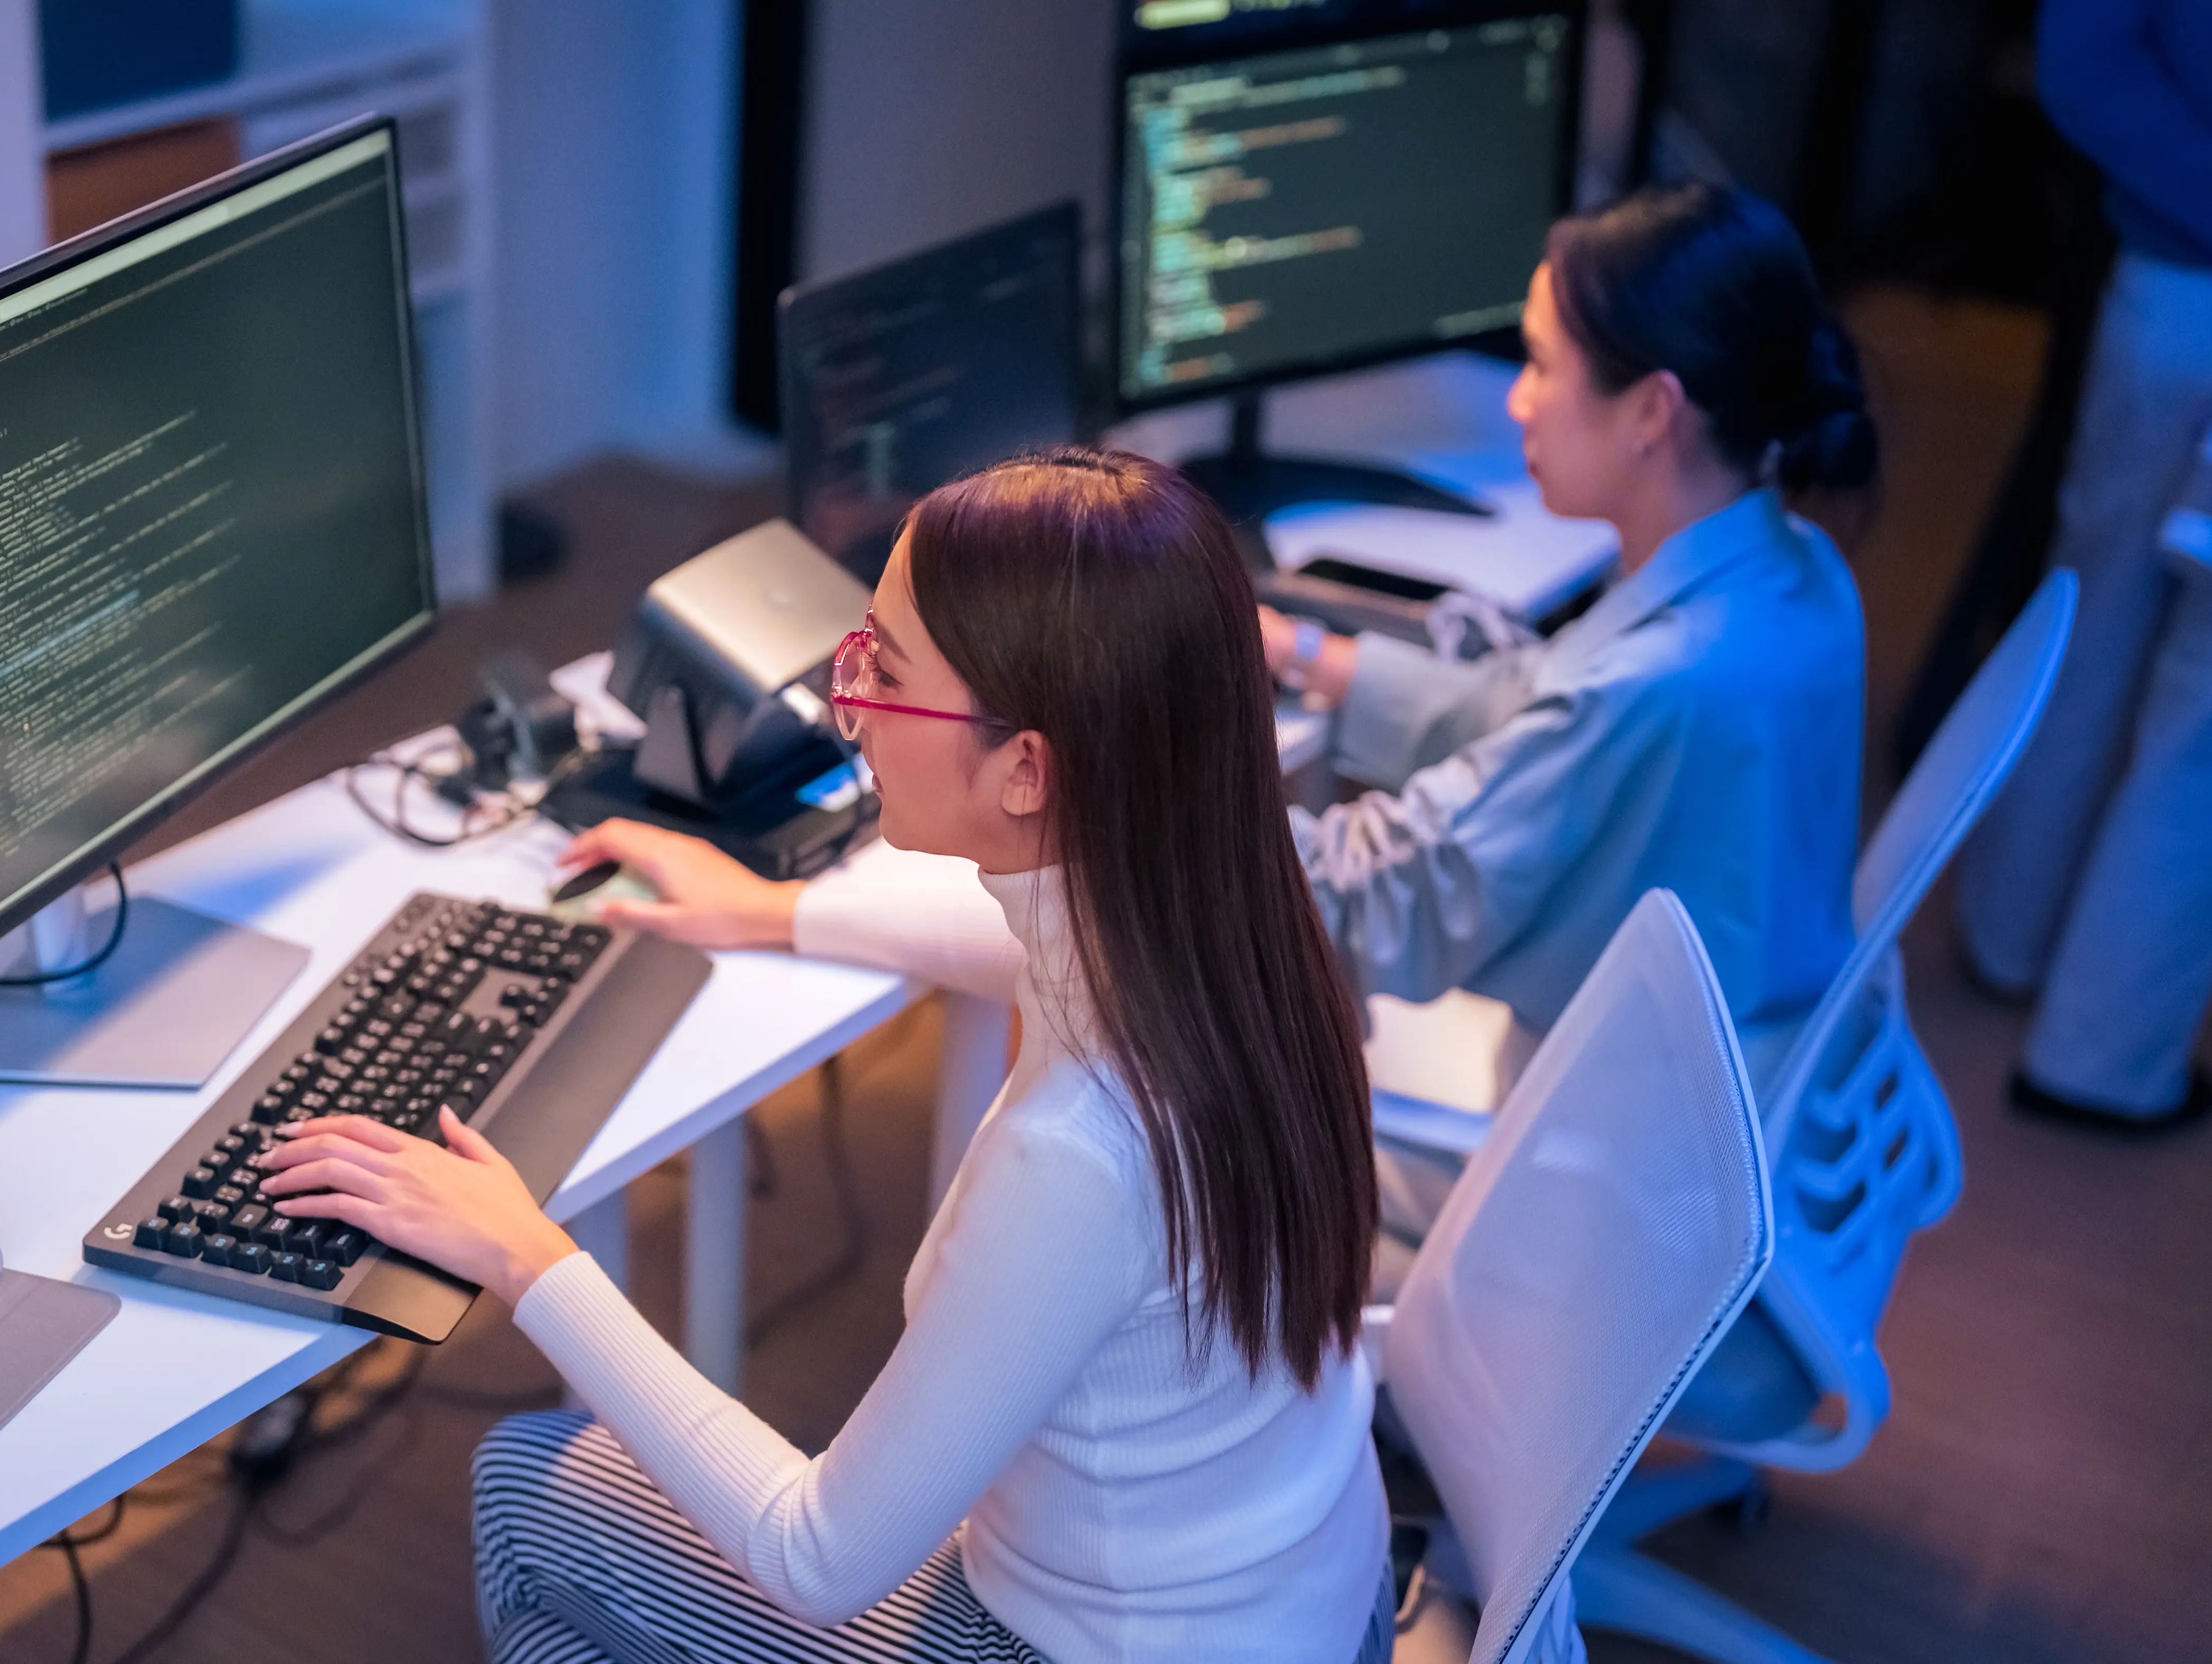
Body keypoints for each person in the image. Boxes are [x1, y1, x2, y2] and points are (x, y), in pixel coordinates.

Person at [259, 451, 1395, 1662]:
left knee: (524, 1486)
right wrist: (773, 908)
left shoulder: (1080, 1150)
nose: (843, 703)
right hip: (1320, 1602)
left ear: (1028, 771)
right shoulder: (1245, 937)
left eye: (882, 674)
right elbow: (1020, 939)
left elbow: (818, 1561)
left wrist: (523, 1254)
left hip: (1087, 1646)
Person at [571, 182, 1876, 1141]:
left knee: (1132, 1004)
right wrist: (1300, 654)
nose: (1516, 399)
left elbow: (1364, 898)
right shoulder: (1789, 576)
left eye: (1537, 365)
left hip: (1609, 1180)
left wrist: (1124, 784)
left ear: (1653, 409)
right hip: (1740, 1105)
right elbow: (1539, 709)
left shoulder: (1661, 683)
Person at [1953, 0, 2212, 1126]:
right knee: (2202, 718)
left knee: (2088, 614)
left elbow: (2088, 66)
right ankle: (2102, 1059)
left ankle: (2005, 939)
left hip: (2169, 287)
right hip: (2176, 280)